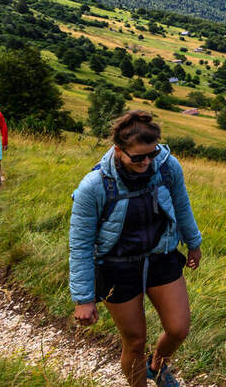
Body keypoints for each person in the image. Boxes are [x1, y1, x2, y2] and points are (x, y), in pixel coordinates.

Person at [70, 111, 202, 387]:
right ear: (119, 150)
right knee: (135, 341)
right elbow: (80, 243)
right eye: (138, 157)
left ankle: (158, 365)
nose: (146, 162)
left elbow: (181, 206)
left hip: (161, 257)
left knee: (178, 329)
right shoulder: (93, 187)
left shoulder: (167, 167)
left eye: (151, 154)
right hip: (117, 266)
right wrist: (83, 298)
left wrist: (194, 243)